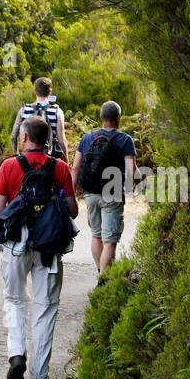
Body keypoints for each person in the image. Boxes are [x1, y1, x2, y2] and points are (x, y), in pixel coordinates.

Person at [0, 115, 77, 379]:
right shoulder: (60, 168)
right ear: (47, 140)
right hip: (48, 248)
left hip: (14, 244)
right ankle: (39, 377)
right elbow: (71, 211)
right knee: (45, 307)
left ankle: (16, 354)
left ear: (24, 138)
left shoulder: (9, 166)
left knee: (14, 299)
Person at [72, 101, 136, 277]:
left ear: (101, 118)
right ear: (118, 118)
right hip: (113, 191)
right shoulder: (125, 140)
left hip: (90, 192)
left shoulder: (86, 138)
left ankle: (100, 271)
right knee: (110, 241)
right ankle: (104, 281)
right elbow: (131, 171)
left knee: (96, 235)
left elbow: (76, 167)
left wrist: (71, 192)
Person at [10, 76, 68, 161]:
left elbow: (13, 136)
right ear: (50, 91)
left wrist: (16, 155)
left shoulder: (24, 110)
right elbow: (61, 140)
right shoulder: (57, 111)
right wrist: (66, 160)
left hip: (27, 160)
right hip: (49, 160)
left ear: (35, 91)